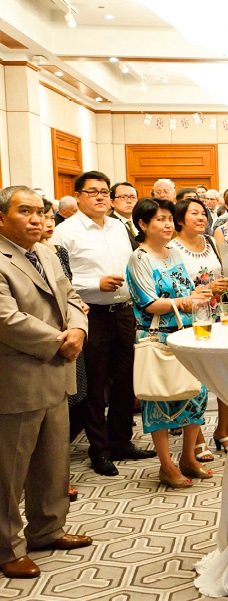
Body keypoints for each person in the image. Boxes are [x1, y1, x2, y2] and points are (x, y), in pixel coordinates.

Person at [0, 186, 92, 579]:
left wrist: (79, 331)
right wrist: (61, 341)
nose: (37, 219)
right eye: (25, 211)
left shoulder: (46, 252)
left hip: (58, 370)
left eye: (40, 211)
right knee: (10, 471)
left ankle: (47, 529)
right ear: (2, 217)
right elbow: (6, 320)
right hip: (19, 376)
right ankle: (7, 547)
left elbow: (72, 297)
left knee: (53, 462)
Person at [53, 171, 154, 476]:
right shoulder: (65, 232)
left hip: (123, 312)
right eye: (93, 191)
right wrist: (95, 283)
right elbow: (60, 279)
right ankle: (100, 450)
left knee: (126, 380)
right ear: (79, 195)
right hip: (89, 314)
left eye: (105, 192)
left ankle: (121, 440)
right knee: (95, 385)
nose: (100, 197)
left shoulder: (118, 227)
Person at [126, 198, 212, 488]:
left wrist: (201, 293)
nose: (166, 224)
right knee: (159, 398)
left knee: (195, 394)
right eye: (159, 219)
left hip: (185, 334)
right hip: (156, 336)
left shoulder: (173, 253)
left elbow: (184, 289)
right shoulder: (139, 258)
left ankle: (189, 457)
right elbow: (149, 303)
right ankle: (166, 465)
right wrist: (187, 301)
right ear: (143, 224)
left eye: (168, 219)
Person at [170, 197, 228, 457]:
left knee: (226, 376)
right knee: (196, 381)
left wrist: (223, 284)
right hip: (191, 318)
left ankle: (223, 429)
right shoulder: (173, 247)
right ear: (180, 219)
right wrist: (206, 289)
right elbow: (175, 287)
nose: (201, 218)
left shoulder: (209, 242)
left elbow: (217, 273)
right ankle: (197, 438)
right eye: (194, 213)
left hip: (217, 313)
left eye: (203, 214)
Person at [41, 203, 89, 494]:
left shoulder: (55, 252)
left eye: (47, 217)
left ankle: (57, 474)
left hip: (71, 336)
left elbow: (68, 290)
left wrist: (78, 322)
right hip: (42, 342)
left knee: (72, 404)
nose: (44, 223)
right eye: (34, 215)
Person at [109, 182, 140, 249]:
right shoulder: (108, 224)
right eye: (123, 197)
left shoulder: (141, 223)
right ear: (111, 202)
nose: (129, 201)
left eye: (133, 197)